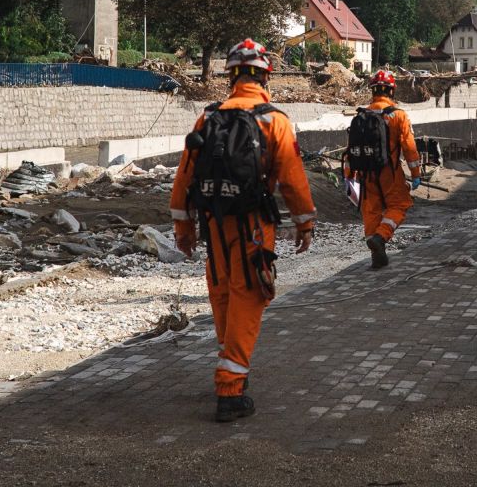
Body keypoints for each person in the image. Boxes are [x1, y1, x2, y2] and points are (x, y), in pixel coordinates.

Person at [170, 39, 317, 422]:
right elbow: (292, 180)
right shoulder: (274, 120)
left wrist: (183, 229)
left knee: (222, 292)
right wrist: (305, 223)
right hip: (253, 223)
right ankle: (231, 386)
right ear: (266, 75)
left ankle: (229, 359)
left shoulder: (207, 117)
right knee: (250, 295)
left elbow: (184, 177)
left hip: (213, 222)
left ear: (232, 75)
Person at [345, 69, 422, 269]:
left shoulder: (362, 115)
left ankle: (376, 255)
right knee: (399, 205)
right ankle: (381, 237)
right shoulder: (398, 116)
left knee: (371, 212)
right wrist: (416, 174)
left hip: (365, 173)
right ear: (392, 91)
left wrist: (349, 175)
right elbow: (410, 148)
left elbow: (350, 150)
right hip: (390, 171)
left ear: (373, 91)